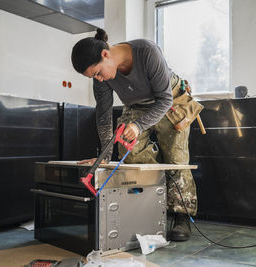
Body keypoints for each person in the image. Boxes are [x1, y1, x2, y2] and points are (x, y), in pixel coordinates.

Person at [71, 28, 197, 241]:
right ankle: (153, 208)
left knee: (176, 158)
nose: (99, 80)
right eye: (94, 77)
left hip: (170, 101)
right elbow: (103, 115)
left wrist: (138, 126)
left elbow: (164, 100)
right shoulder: (101, 78)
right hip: (137, 105)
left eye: (98, 73)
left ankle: (181, 215)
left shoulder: (146, 51)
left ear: (105, 54)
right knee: (131, 154)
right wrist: (106, 157)